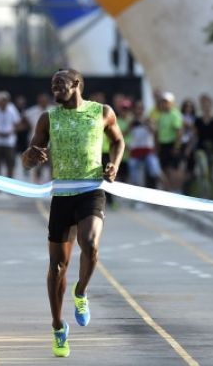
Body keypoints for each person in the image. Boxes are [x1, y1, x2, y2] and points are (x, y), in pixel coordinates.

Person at [21, 69, 124, 358]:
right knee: (57, 267)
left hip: (91, 190)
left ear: (76, 84)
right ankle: (57, 327)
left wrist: (114, 165)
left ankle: (81, 293)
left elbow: (118, 141)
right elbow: (30, 156)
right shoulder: (48, 118)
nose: (55, 88)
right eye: (52, 84)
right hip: (62, 195)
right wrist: (30, 158)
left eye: (60, 84)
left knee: (90, 244)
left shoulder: (102, 112)